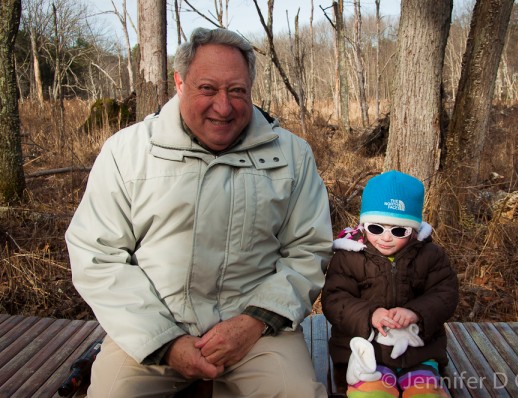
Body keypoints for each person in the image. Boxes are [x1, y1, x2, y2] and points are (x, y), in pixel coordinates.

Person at [65, 27, 332, 397]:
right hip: (149, 333)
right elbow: (97, 254)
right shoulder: (127, 152)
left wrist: (254, 321)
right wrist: (166, 343)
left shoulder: (291, 155)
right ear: (179, 82)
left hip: (258, 333)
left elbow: (309, 249)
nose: (223, 107)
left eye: (236, 91)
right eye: (207, 88)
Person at [321, 170, 458, 397]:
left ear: (413, 231)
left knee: (426, 394)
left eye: (398, 230)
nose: (386, 237)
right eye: (376, 228)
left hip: (419, 350)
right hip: (367, 351)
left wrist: (416, 313)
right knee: (371, 394)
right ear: (364, 226)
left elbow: (445, 294)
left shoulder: (430, 255)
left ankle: (422, 377)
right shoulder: (349, 256)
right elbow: (335, 299)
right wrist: (370, 315)